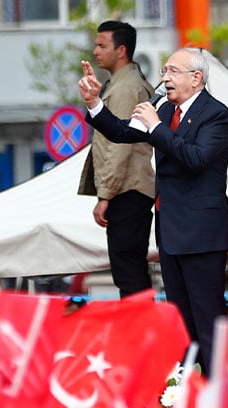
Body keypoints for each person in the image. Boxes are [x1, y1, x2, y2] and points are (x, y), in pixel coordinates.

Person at [79, 47, 228, 375]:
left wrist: (155, 127)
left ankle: (218, 389)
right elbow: (122, 132)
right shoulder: (163, 111)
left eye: (172, 71)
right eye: (164, 70)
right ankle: (185, 386)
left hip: (203, 235)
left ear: (196, 78)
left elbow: (196, 158)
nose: (164, 78)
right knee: (179, 319)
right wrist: (95, 103)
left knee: (208, 319)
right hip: (170, 231)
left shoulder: (216, 114)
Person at [77, 20, 157, 298]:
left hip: (128, 191)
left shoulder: (126, 89)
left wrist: (105, 196)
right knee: (130, 270)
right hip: (130, 189)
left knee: (129, 274)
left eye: (102, 45)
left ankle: (141, 336)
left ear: (121, 50)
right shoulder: (120, 84)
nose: (95, 51)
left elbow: (118, 146)